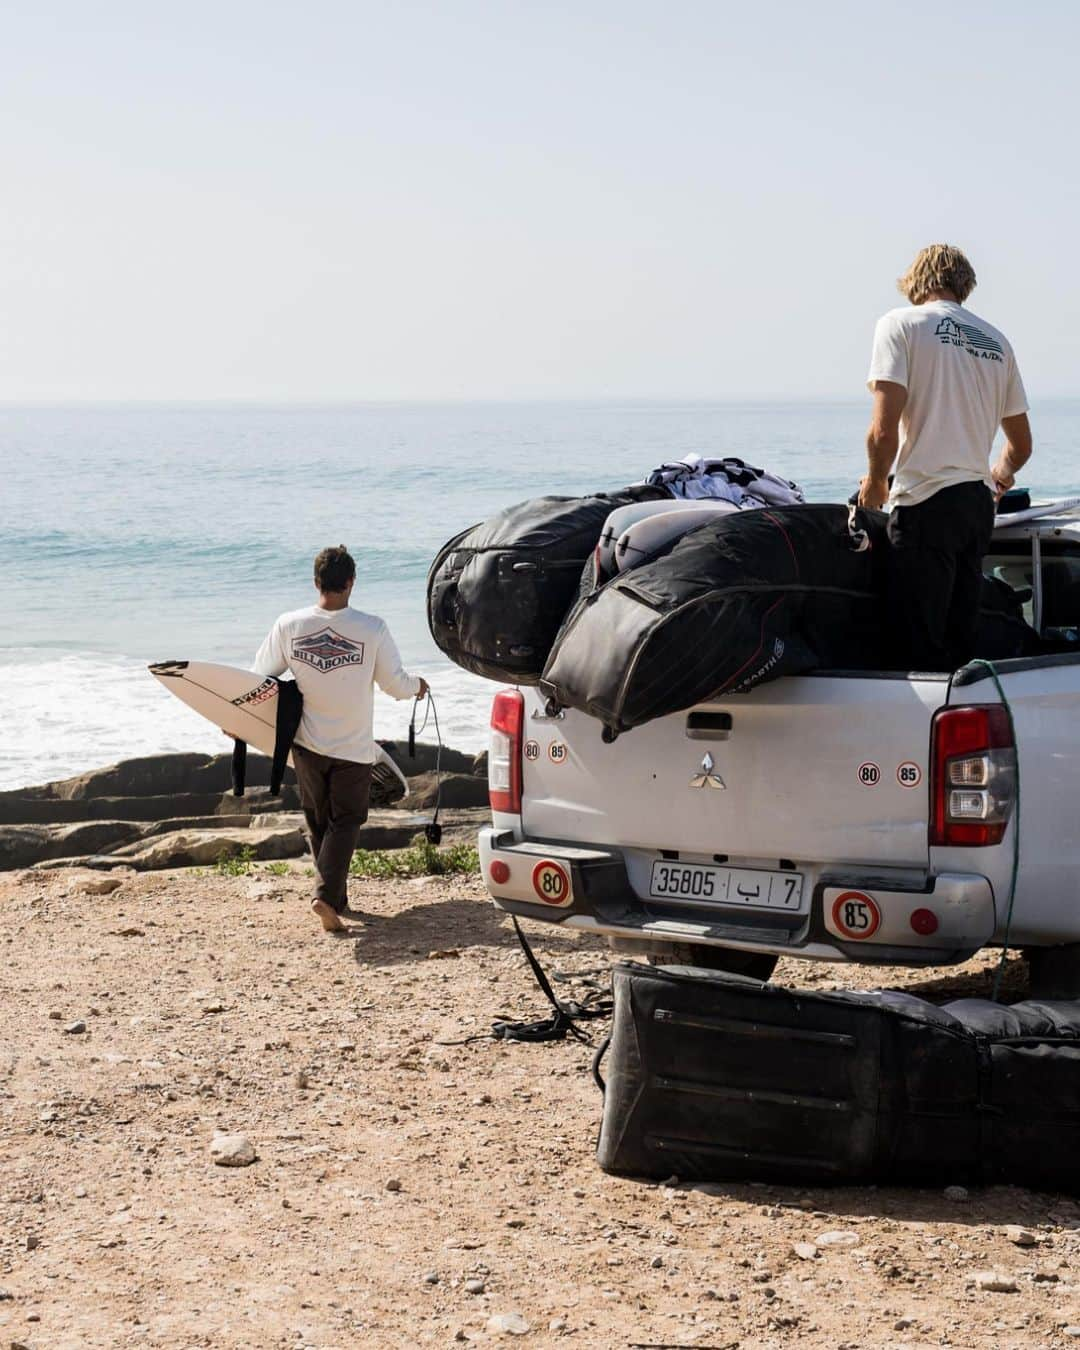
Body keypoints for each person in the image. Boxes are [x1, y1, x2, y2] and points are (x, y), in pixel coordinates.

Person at [858, 244, 1033, 670]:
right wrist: (1000, 475)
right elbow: (1021, 446)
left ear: (916, 282)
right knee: (959, 646)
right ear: (964, 285)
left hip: (925, 501)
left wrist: (876, 481)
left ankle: (913, 733)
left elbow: (884, 429)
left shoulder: (900, 324)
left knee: (915, 648)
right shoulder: (996, 341)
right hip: (975, 506)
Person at [253, 546, 428, 933]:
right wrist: (417, 687)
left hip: (307, 745)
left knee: (320, 823)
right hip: (352, 747)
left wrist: (237, 720)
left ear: (316, 582)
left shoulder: (289, 625)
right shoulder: (372, 628)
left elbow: (259, 680)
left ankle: (336, 896)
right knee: (346, 820)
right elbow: (393, 685)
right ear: (351, 582)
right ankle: (326, 898)